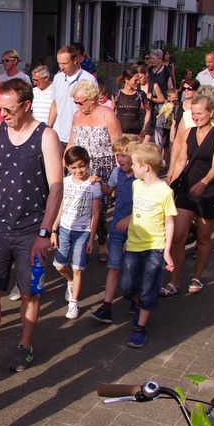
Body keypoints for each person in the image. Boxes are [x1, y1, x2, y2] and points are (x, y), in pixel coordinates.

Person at [0, 79, 63, 380]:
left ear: (26, 105)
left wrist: (45, 232)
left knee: (30, 295)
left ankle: (24, 345)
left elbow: (56, 188)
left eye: (8, 109)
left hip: (32, 231)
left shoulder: (46, 136)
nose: (2, 114)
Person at [162, 91, 214, 297]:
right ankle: (174, 280)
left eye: (200, 113)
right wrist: (171, 184)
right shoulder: (189, 132)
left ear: (210, 112)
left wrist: (204, 182)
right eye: (193, 113)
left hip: (208, 188)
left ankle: (197, 277)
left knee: (203, 237)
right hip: (187, 186)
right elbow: (181, 159)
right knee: (178, 236)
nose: (196, 117)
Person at [122, 142, 176, 349]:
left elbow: (169, 222)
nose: (131, 167)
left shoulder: (165, 191)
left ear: (146, 167)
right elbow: (136, 214)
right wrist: (128, 238)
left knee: (149, 288)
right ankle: (137, 303)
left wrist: (167, 250)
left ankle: (140, 327)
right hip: (134, 245)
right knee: (127, 286)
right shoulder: (136, 185)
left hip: (155, 247)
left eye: (134, 164)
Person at [67, 80, 121, 263]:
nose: (78, 105)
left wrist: (119, 175)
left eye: (80, 102)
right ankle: (81, 244)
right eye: (75, 102)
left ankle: (102, 242)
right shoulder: (77, 116)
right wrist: (64, 163)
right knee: (81, 208)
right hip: (79, 167)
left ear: (93, 98)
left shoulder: (107, 115)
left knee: (99, 209)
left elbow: (118, 146)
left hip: (102, 167)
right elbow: (71, 142)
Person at [89, 134, 140, 324]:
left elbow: (149, 205)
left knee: (132, 271)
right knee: (113, 266)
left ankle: (138, 301)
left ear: (135, 156)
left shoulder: (141, 177)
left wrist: (131, 218)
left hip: (138, 230)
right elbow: (108, 190)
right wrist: (98, 182)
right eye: (117, 155)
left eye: (123, 155)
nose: (119, 159)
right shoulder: (117, 172)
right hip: (118, 228)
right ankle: (107, 306)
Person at [50, 145, 101, 320]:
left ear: (87, 164)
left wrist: (92, 238)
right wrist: (53, 230)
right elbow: (60, 206)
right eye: (74, 167)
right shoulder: (65, 183)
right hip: (64, 228)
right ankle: (71, 281)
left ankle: (74, 303)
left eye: (81, 166)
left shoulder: (93, 185)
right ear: (67, 167)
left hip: (83, 232)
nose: (78, 170)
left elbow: (95, 214)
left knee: (78, 268)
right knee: (59, 265)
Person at [48, 45, 97, 152]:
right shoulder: (58, 78)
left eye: (65, 63)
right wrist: (48, 127)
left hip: (79, 136)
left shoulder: (89, 79)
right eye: (59, 63)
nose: (61, 67)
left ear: (75, 60)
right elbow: (55, 105)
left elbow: (94, 108)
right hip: (59, 135)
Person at [114, 66, 148, 136]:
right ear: (127, 80)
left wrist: (145, 128)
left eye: (138, 80)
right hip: (120, 131)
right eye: (135, 80)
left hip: (136, 132)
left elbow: (148, 111)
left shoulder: (140, 94)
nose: (138, 82)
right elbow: (112, 111)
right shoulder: (117, 94)